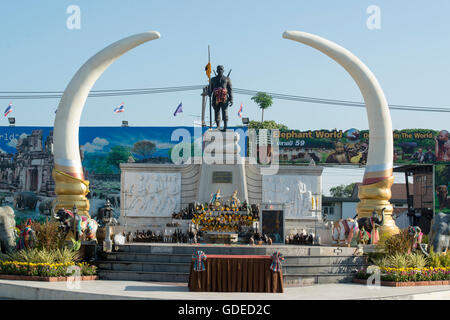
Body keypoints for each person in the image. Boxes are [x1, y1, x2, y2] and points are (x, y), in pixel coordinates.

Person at [208, 65, 233, 131]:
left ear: (223, 71)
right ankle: (218, 126)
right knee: (216, 111)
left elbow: (230, 89)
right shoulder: (213, 79)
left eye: (221, 69)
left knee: (224, 111)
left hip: (224, 97)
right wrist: (209, 92)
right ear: (216, 71)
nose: (220, 70)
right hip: (215, 97)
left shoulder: (227, 79)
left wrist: (231, 98)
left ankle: (225, 126)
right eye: (218, 69)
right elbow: (209, 88)